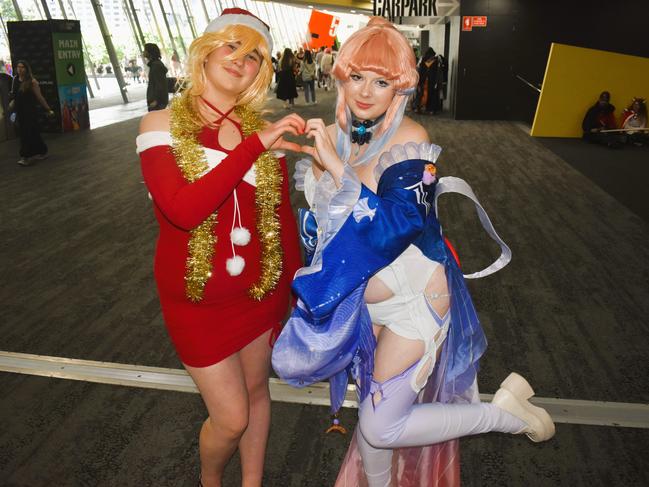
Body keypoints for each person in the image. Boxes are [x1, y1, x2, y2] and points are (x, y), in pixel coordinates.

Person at [272, 17, 555, 486]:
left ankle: (506, 416)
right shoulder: (343, 135)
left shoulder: (409, 139)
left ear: (399, 88)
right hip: (364, 298)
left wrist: (338, 171)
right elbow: (325, 232)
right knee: (373, 414)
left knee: (382, 424)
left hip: (414, 296)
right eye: (358, 76)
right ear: (341, 75)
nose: (365, 91)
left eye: (381, 81)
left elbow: (398, 225)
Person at [136, 9, 304, 487]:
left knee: (256, 392)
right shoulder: (159, 124)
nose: (240, 60)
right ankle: (210, 481)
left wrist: (293, 291)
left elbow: (279, 222)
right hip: (196, 300)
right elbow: (184, 211)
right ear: (205, 52)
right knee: (231, 418)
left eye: (253, 55)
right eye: (231, 46)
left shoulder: (259, 129)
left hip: (258, 294)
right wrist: (254, 147)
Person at [9, 60, 55, 166]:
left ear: (26, 69)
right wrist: (12, 105)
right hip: (19, 111)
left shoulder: (32, 82)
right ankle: (42, 151)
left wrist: (48, 109)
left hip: (30, 111)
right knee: (32, 133)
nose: (19, 69)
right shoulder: (15, 80)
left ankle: (25, 156)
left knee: (26, 134)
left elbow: (39, 97)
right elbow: (14, 94)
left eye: (22, 67)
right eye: (18, 67)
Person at [414, 47, 440, 114]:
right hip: (432, 80)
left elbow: (420, 70)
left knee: (420, 94)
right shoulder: (435, 60)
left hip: (423, 79)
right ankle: (431, 109)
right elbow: (437, 71)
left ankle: (418, 108)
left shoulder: (423, 59)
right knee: (432, 94)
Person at [144, 43, 169, 112]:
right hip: (158, 101)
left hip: (157, 102)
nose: (143, 52)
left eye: (145, 50)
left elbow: (159, 84)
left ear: (150, 51)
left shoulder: (156, 66)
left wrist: (156, 100)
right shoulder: (155, 65)